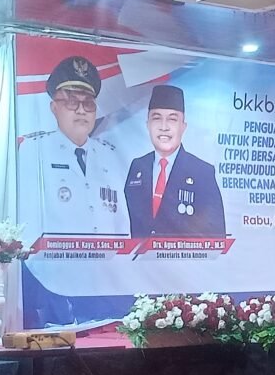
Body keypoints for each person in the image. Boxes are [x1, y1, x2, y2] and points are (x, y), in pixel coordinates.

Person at [18, 55, 129, 236]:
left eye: (88, 103)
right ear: (54, 108)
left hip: (106, 255)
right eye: (72, 102)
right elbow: (26, 222)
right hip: (52, 254)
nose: (81, 110)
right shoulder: (34, 151)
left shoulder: (110, 156)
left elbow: (122, 224)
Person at [124, 85, 225, 238]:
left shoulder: (202, 172)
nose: (164, 127)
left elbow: (217, 237)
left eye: (172, 119)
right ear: (147, 124)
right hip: (138, 254)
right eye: (156, 118)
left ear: (183, 127)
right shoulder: (137, 167)